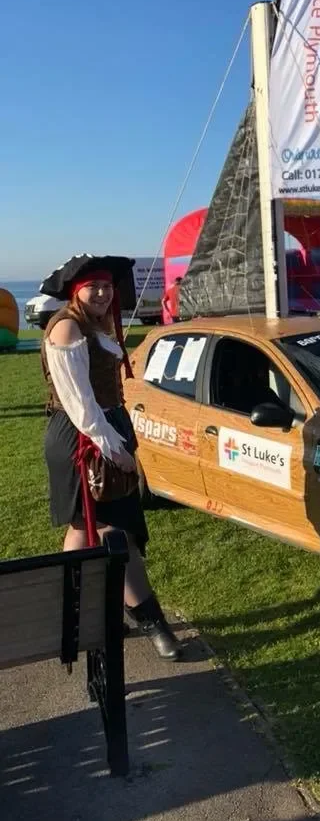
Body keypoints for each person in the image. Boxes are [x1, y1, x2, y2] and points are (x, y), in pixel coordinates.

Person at [40, 254, 182, 661]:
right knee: (113, 532)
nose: (102, 292)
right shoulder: (68, 328)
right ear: (75, 291)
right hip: (85, 438)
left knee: (85, 528)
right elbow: (80, 404)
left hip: (104, 430)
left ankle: (85, 612)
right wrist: (114, 449)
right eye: (93, 286)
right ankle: (153, 623)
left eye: (107, 286)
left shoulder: (96, 323)